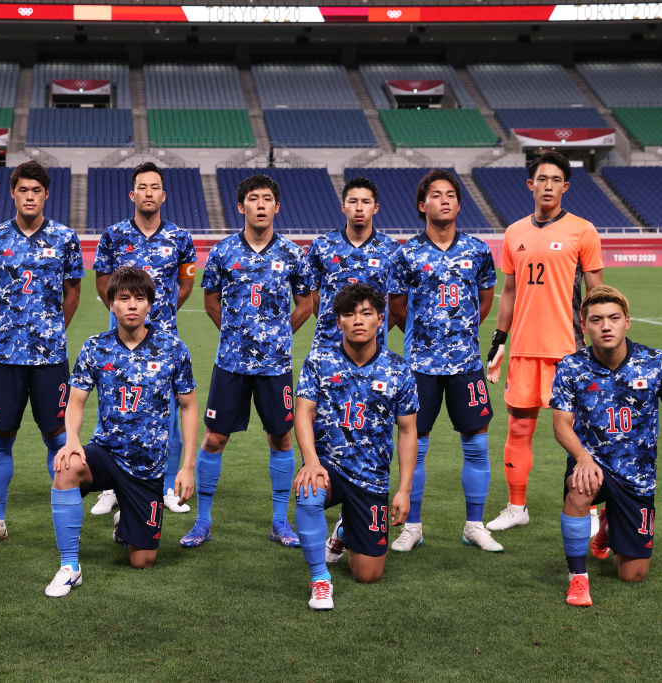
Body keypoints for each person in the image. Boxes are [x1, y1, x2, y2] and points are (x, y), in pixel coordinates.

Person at [180, 173, 314, 548]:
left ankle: (279, 521)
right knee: (215, 438)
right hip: (231, 364)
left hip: (275, 367)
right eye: (253, 198)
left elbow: (306, 304)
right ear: (241, 206)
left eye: (267, 198)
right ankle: (202, 521)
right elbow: (210, 301)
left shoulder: (293, 254)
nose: (260, 205)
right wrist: (234, 334)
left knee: (281, 437)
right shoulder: (223, 252)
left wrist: (279, 335)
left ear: (277, 206)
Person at [45, 267, 198, 597]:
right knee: (66, 467)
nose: (131, 305)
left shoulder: (173, 348)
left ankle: (127, 521)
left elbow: (188, 407)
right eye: (123, 298)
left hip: (147, 468)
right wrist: (72, 440)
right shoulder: (95, 347)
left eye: (139, 299)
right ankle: (70, 567)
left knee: (143, 561)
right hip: (107, 452)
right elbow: (75, 402)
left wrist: (186, 467)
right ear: (110, 303)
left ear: (150, 305)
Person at [484, 150, 603, 532]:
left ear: (565, 187)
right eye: (542, 179)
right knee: (519, 428)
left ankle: (589, 507)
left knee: (580, 433)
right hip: (524, 349)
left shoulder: (583, 231)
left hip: (569, 350)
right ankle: (517, 507)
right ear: (530, 184)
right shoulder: (514, 232)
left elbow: (596, 294)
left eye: (555, 180)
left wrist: (599, 345)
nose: (548, 186)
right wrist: (500, 339)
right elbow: (509, 292)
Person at [387, 169, 503, 552]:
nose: (444, 200)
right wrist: (425, 335)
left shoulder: (477, 250)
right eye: (436, 195)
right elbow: (396, 307)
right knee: (415, 443)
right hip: (420, 367)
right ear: (422, 205)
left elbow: (485, 300)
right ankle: (412, 527)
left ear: (459, 204)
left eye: (451, 194)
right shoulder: (406, 253)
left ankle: (474, 525)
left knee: (477, 442)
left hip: (466, 365)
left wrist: (459, 334)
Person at [551, 285, 662, 607]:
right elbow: (561, 424)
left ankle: (607, 528)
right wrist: (582, 458)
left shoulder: (656, 362)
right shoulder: (571, 366)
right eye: (596, 320)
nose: (606, 326)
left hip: (637, 474)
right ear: (584, 325)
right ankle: (578, 577)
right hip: (593, 462)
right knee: (580, 488)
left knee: (632, 575)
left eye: (614, 318)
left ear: (627, 321)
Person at [0, 160, 84, 546]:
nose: (30, 196)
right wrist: (6, 326)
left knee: (58, 437)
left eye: (36, 190)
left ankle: (64, 515)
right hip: (4, 357)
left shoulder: (65, 238)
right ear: (13, 193)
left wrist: (54, 329)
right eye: (23, 190)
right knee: (0, 438)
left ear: (46, 194)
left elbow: (73, 291)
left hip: (50, 358)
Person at [292, 283, 416, 610]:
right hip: (329, 467)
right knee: (308, 489)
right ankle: (320, 580)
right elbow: (303, 412)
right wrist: (311, 461)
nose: (358, 320)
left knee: (368, 575)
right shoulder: (319, 360)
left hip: (371, 477)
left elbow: (407, 431)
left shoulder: (398, 369)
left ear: (380, 319)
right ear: (339, 322)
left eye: (366, 313)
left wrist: (404, 490)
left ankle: (344, 532)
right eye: (349, 314)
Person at [90, 162, 198, 517]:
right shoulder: (113, 236)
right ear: (132, 194)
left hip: (163, 343)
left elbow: (185, 285)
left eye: (154, 187)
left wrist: (161, 313)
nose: (148, 193)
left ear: (163, 195)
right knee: (112, 412)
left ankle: (166, 486)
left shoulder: (180, 238)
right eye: (142, 187)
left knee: (168, 417)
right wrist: (123, 314)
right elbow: (103, 283)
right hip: (119, 342)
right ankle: (110, 488)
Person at [307, 176, 399, 350]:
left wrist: (375, 328)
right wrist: (330, 320)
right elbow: (311, 293)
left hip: (372, 349)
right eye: (353, 201)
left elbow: (397, 302)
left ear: (376, 208)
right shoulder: (322, 245)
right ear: (343, 206)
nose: (359, 208)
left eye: (366, 202)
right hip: (328, 347)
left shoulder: (391, 248)